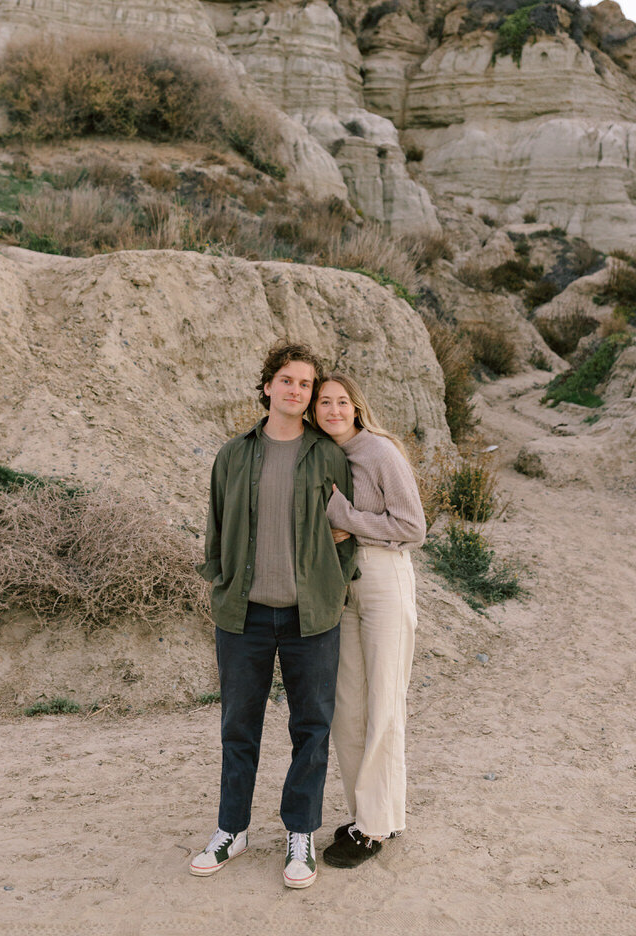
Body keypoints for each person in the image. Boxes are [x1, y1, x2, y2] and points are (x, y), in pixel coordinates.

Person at [190, 342, 356, 889]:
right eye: (286, 380)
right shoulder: (233, 454)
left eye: (305, 384)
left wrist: (336, 582)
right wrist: (221, 579)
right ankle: (231, 830)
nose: (296, 391)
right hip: (245, 615)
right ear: (267, 387)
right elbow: (215, 522)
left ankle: (300, 834)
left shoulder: (328, 455)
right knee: (239, 726)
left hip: (313, 618)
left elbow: (347, 529)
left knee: (311, 728)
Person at [312, 372, 425, 869]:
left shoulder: (380, 451)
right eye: (324, 402)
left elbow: (411, 527)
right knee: (347, 705)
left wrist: (346, 518)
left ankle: (373, 828)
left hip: (384, 581)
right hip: (344, 584)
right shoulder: (323, 455)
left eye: (342, 401)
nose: (333, 410)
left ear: (356, 407)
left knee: (383, 702)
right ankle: (371, 815)